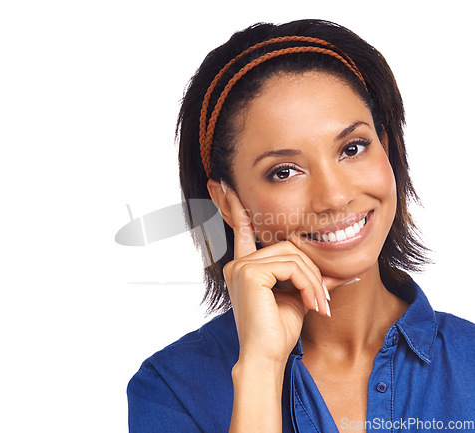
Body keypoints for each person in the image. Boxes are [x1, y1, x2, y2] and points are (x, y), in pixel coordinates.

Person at [127, 19, 475, 432]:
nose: (333, 197)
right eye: (285, 171)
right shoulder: (171, 391)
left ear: (385, 144)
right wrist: (260, 367)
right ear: (226, 200)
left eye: (352, 148)